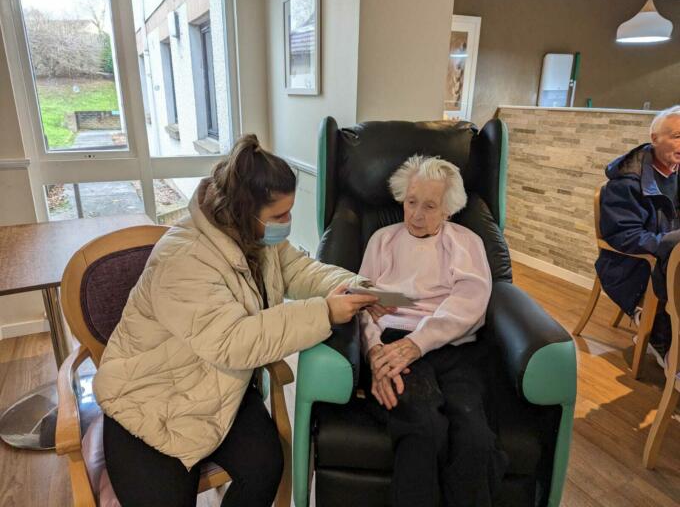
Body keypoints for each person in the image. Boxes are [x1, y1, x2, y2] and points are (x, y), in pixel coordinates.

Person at [93, 134, 381, 507]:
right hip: (148, 397)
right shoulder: (183, 260)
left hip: (218, 387)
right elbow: (233, 342)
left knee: (265, 466)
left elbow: (299, 270)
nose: (288, 222)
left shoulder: (257, 237)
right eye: (280, 215)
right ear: (245, 210)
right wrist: (323, 312)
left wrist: (352, 286)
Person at [358, 155, 507, 507]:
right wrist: (373, 353)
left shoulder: (465, 242)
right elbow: (362, 302)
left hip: (455, 347)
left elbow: (470, 301)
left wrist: (419, 341)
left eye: (430, 206)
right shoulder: (382, 240)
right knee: (423, 428)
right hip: (394, 342)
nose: (417, 215)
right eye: (411, 202)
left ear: (448, 210)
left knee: (475, 438)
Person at [596, 105, 680, 366]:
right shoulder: (627, 182)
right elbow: (625, 235)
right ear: (654, 139)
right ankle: (664, 342)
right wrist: (670, 244)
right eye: (677, 136)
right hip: (632, 265)